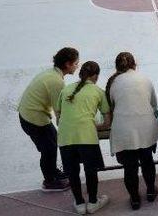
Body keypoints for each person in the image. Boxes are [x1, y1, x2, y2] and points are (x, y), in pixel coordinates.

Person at [18, 48, 79, 192]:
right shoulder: (56, 82)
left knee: (52, 141)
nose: (78, 66)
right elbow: (60, 112)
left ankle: (52, 172)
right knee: (48, 149)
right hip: (34, 119)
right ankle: (49, 181)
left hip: (30, 114)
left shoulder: (51, 74)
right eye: (76, 63)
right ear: (67, 64)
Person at [55, 61, 111, 214]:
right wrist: (93, 125)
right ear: (96, 76)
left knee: (72, 172)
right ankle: (93, 202)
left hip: (66, 137)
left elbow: (58, 118)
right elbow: (107, 122)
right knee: (90, 170)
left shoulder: (66, 90)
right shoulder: (98, 91)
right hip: (86, 136)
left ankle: (79, 203)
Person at [105, 52, 158, 210]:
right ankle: (150, 191)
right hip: (145, 128)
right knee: (147, 160)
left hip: (124, 131)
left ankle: (135, 199)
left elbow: (111, 108)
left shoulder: (113, 83)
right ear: (135, 64)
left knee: (129, 167)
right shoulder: (145, 79)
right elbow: (154, 106)